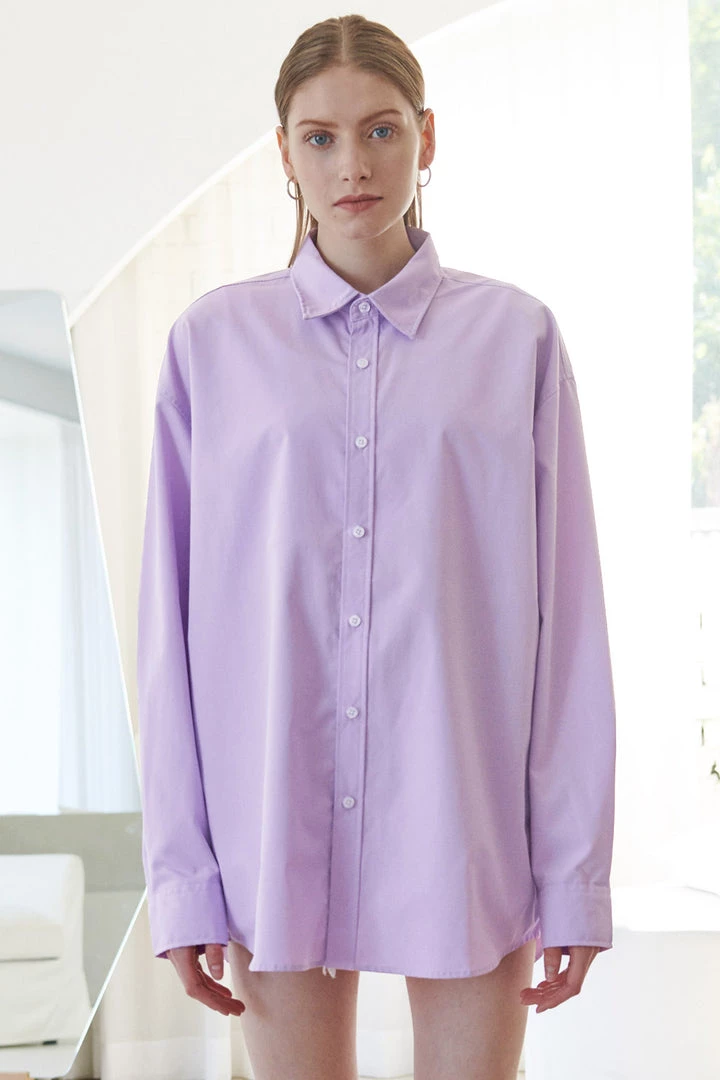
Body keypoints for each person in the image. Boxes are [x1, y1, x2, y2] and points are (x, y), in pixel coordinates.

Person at [136, 14, 616, 1080]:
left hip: (468, 826)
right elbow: (167, 633)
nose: (352, 165)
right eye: (320, 137)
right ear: (284, 153)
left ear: (426, 138)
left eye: (381, 130)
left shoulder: (517, 339)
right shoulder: (211, 346)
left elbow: (570, 624)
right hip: (270, 834)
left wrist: (575, 875)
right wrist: (183, 879)